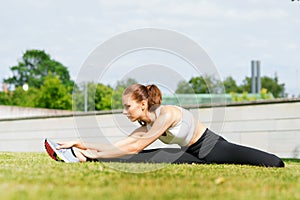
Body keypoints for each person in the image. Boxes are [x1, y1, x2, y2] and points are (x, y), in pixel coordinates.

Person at [45, 84, 284, 167]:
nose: (124, 111)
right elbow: (120, 145)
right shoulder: (145, 124)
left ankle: (85, 157)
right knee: (147, 157)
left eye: (128, 106)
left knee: (273, 162)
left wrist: (90, 152)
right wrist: (81, 143)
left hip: (211, 146)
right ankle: (80, 157)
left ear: (142, 104)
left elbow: (134, 146)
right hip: (190, 153)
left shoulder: (166, 114)